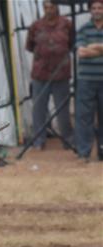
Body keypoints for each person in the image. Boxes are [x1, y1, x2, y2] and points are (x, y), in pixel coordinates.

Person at [26, 1, 75, 150]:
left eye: (52, 7)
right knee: (39, 109)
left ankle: (68, 139)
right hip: (40, 74)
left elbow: (72, 43)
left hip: (61, 74)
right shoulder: (36, 26)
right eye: (46, 7)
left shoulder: (67, 24)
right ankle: (39, 140)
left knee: (63, 110)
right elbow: (29, 46)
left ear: (57, 7)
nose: (49, 10)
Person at [75, 0, 103, 162]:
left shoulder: (85, 33)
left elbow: (87, 50)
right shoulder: (83, 29)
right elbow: (81, 52)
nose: (97, 10)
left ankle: (102, 152)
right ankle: (84, 152)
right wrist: (101, 48)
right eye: (94, 8)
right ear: (90, 10)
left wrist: (93, 47)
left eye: (100, 7)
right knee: (84, 117)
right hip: (86, 80)